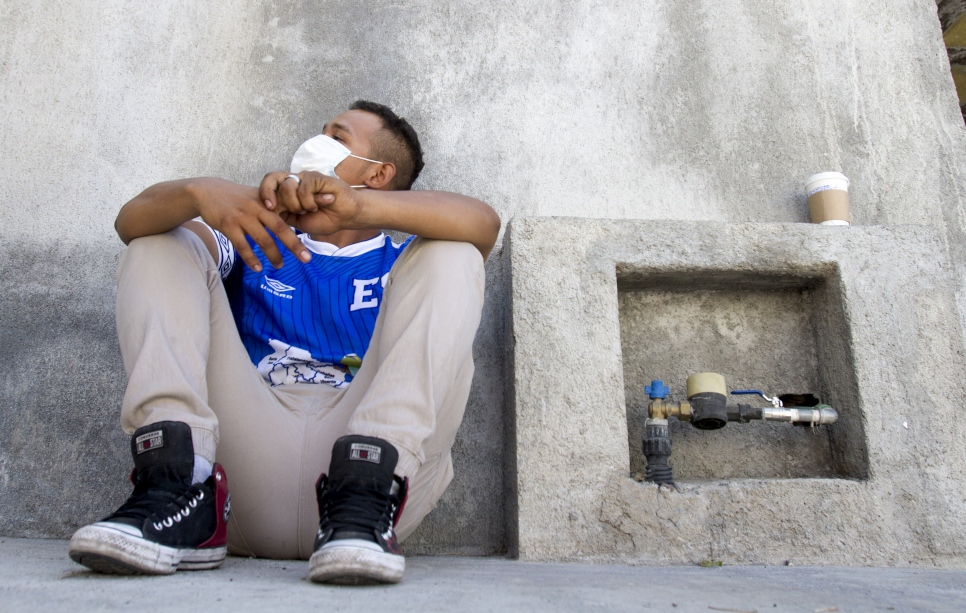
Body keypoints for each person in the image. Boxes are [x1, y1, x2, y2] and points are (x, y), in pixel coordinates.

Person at [67, 100, 501, 585]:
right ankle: (177, 483)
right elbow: (131, 224)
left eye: (337, 137)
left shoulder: (404, 263)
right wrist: (198, 193)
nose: (314, 144)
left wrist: (354, 208)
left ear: (378, 174)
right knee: (160, 241)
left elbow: (481, 222)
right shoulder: (254, 235)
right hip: (245, 467)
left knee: (455, 253)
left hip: (373, 480)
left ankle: (365, 491)